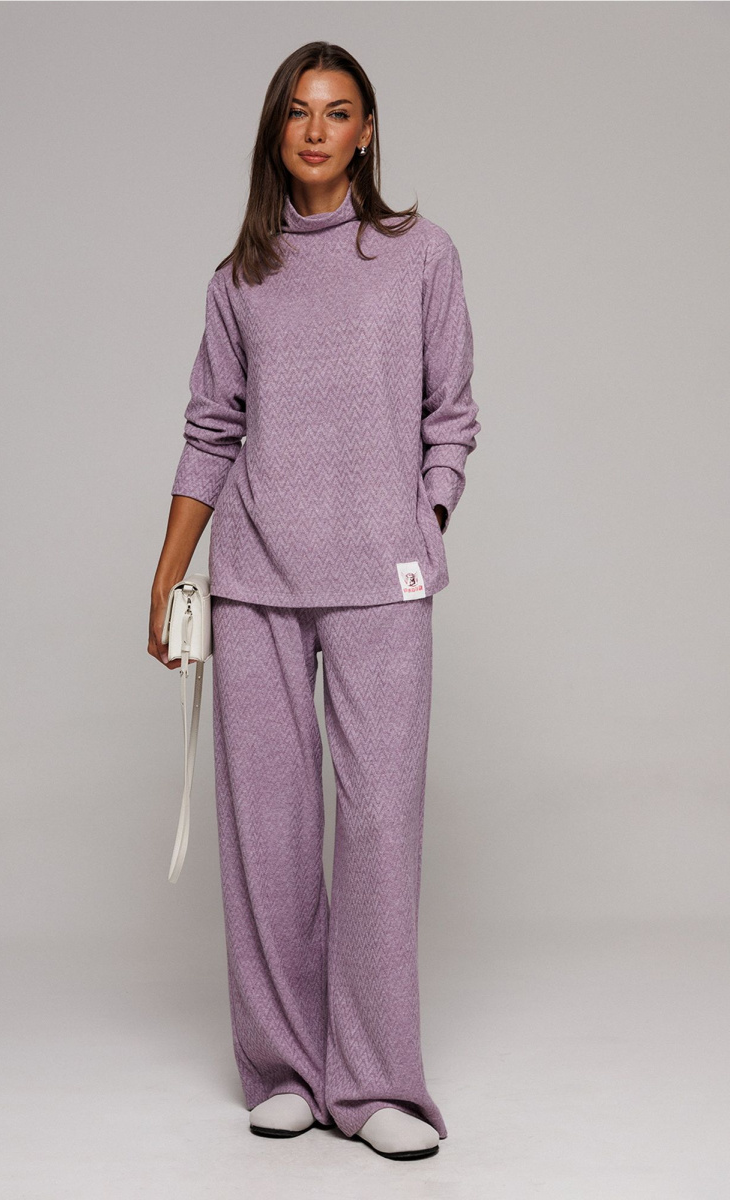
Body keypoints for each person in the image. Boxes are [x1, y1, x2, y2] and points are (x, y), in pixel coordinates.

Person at [148, 40, 481, 1162]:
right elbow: (210, 430)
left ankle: (376, 1082)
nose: (316, 130)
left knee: (380, 827)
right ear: (275, 130)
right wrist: (167, 573)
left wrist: (426, 516)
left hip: (382, 582)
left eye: (337, 113)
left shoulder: (420, 254)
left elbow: (451, 411)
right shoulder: (238, 277)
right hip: (253, 582)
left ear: (366, 132)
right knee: (270, 834)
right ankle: (285, 1068)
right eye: (298, 111)